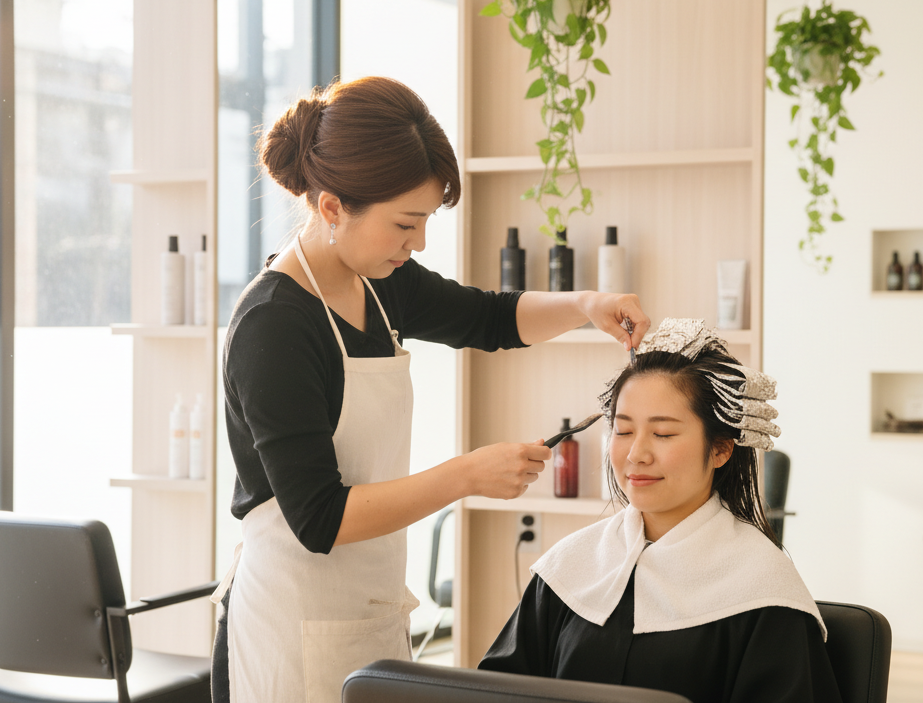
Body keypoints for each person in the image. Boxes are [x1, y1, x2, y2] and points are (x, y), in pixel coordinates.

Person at [210, 77, 651, 703]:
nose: (417, 243)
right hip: (287, 625)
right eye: (405, 223)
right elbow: (319, 518)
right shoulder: (274, 324)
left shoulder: (376, 281)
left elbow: (489, 318)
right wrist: (467, 475)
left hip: (368, 609)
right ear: (333, 207)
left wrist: (587, 304)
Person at [479, 319, 842, 703]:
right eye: (622, 431)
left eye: (664, 433)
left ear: (721, 449)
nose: (636, 454)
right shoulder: (571, 565)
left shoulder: (763, 586)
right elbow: (496, 691)